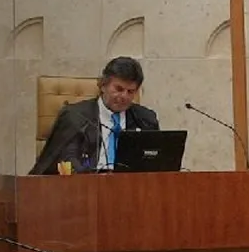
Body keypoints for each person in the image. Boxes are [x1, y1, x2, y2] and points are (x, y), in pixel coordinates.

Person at [29, 56, 159, 175]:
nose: (124, 96)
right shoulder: (75, 117)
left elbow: (156, 165)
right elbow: (66, 160)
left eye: (130, 92)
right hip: (86, 187)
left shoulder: (145, 120)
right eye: (119, 89)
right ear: (103, 85)